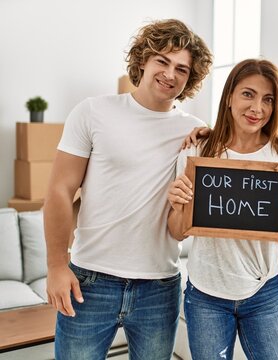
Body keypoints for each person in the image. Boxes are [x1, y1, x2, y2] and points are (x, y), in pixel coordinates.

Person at [43, 19, 213, 360]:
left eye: (181, 68)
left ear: (190, 79)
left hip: (160, 287)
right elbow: (60, 191)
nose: (170, 74)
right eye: (162, 61)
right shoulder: (93, 112)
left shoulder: (195, 133)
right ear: (142, 61)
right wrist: (56, 266)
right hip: (90, 281)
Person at [167, 58, 278, 360]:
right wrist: (179, 202)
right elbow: (177, 232)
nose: (257, 108)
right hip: (206, 292)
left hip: (265, 292)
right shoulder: (197, 153)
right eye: (248, 94)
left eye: (267, 99)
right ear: (230, 96)